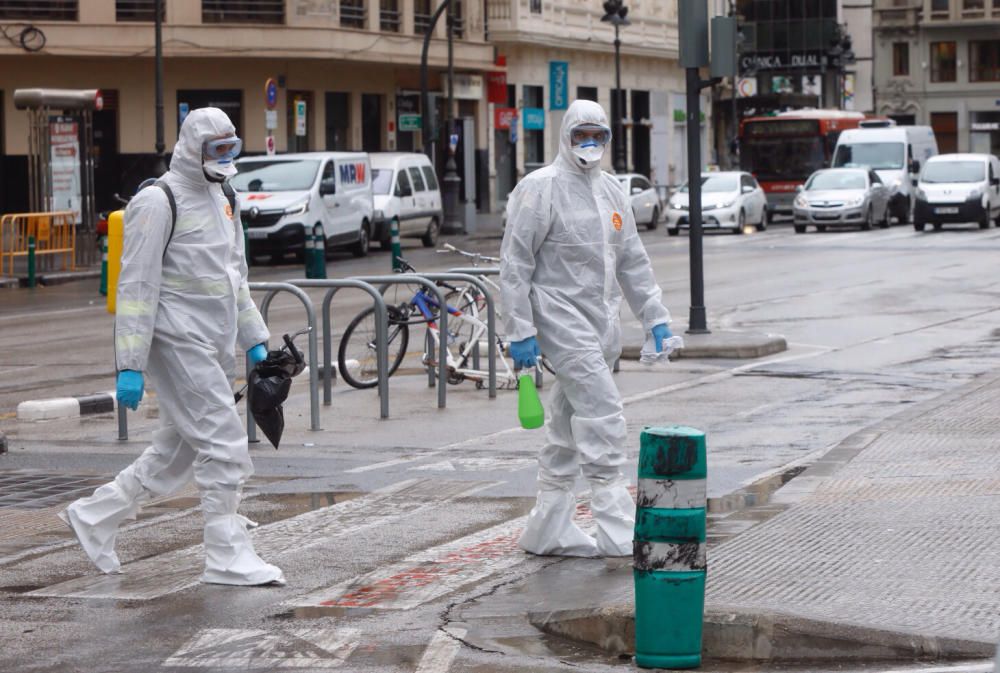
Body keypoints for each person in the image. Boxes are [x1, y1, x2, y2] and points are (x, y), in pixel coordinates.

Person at [59, 107, 284, 586]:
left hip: (213, 341)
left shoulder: (225, 196)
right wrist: (131, 365)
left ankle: (95, 516)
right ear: (192, 148)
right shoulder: (158, 201)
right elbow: (136, 287)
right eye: (216, 149)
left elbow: (233, 275)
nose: (225, 158)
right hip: (176, 340)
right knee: (224, 442)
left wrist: (255, 339)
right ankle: (225, 552)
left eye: (232, 148)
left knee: (177, 449)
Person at [500, 99, 673, 557]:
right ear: (566, 137)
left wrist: (654, 317)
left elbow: (632, 260)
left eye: (599, 135)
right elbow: (515, 263)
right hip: (557, 316)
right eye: (581, 135)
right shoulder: (540, 189)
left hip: (599, 322)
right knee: (602, 413)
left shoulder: (612, 191)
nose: (590, 144)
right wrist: (519, 329)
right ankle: (618, 528)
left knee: (565, 423)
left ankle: (548, 528)